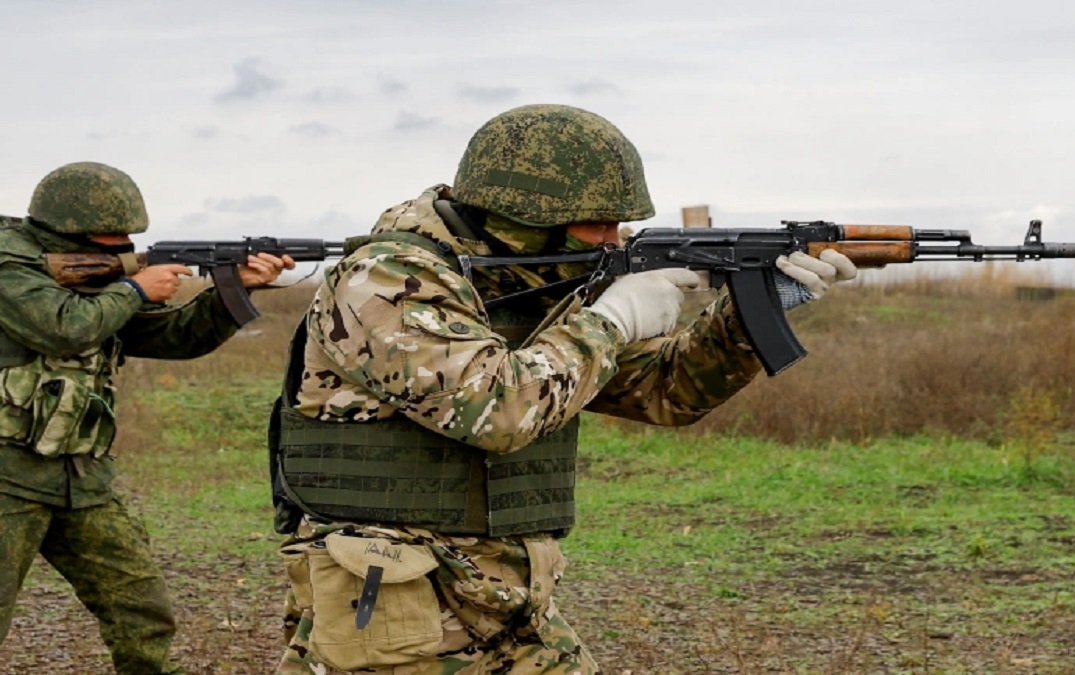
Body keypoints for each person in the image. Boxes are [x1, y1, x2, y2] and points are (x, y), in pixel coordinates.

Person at [270, 104, 858, 674]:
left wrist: (745, 319)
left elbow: (663, 391)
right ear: (523, 215)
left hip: (507, 599)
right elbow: (494, 410)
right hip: (396, 600)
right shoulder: (388, 278)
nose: (613, 238)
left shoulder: (530, 278)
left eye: (618, 221)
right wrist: (611, 320)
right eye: (596, 222)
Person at [0, 161, 294, 674]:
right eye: (110, 237)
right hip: (7, 478)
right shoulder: (11, 266)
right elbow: (63, 328)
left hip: (80, 477)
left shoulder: (98, 282)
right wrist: (135, 288)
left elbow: (171, 336)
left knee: (141, 606)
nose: (122, 247)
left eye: (127, 238)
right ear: (65, 228)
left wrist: (236, 290)